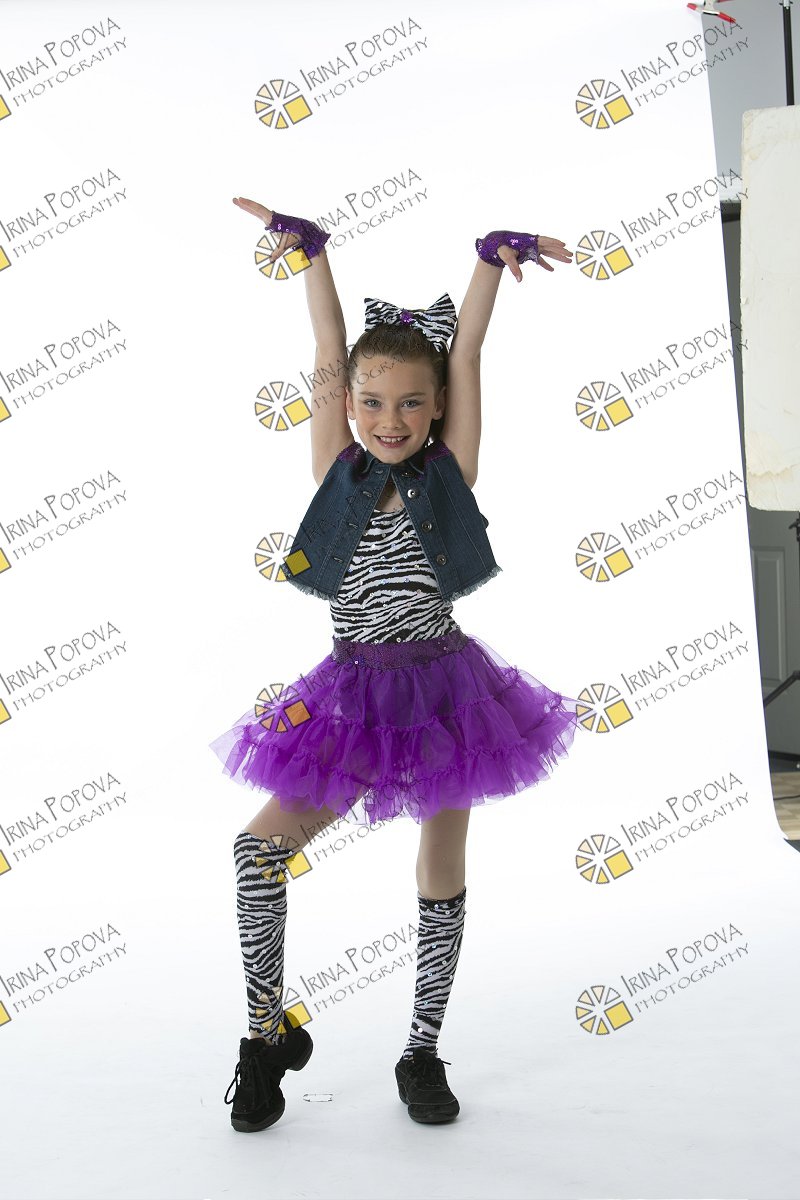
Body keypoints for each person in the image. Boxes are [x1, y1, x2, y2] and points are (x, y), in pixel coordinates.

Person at [211, 199, 580, 1133]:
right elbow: (327, 344)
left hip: (449, 696)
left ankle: (421, 1048)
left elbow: (470, 354)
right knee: (257, 853)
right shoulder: (334, 466)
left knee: (440, 866)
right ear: (348, 405)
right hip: (349, 696)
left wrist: (490, 262)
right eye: (372, 402)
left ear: (438, 409)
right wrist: (313, 255)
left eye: (412, 402)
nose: (390, 418)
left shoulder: (452, 470)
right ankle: (265, 1036)